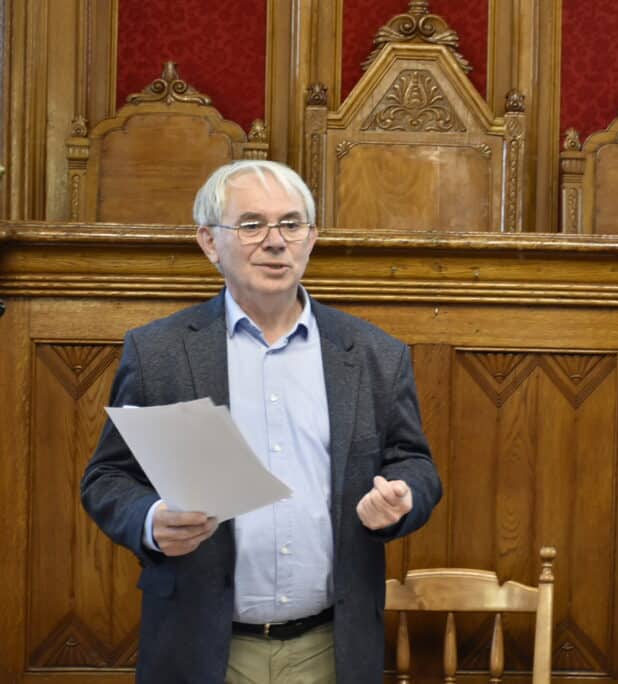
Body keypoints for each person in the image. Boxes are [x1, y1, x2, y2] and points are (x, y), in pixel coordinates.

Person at [81, 160, 442, 684]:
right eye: (252, 224)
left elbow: (415, 464)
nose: (275, 242)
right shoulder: (159, 353)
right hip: (201, 647)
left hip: (332, 649)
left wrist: (403, 496)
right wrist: (149, 520)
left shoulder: (373, 354)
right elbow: (107, 478)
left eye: (291, 224)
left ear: (311, 239)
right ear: (209, 242)